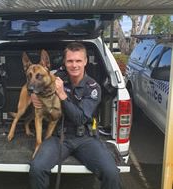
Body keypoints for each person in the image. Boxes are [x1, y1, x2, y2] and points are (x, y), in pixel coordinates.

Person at [29, 42, 121, 189]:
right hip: (59, 137)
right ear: (64, 63)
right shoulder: (57, 77)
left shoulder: (93, 87)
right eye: (70, 61)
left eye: (78, 60)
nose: (74, 65)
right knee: (37, 168)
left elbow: (80, 119)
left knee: (111, 173)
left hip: (85, 138)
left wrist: (62, 95)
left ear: (85, 61)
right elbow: (36, 78)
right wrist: (34, 94)